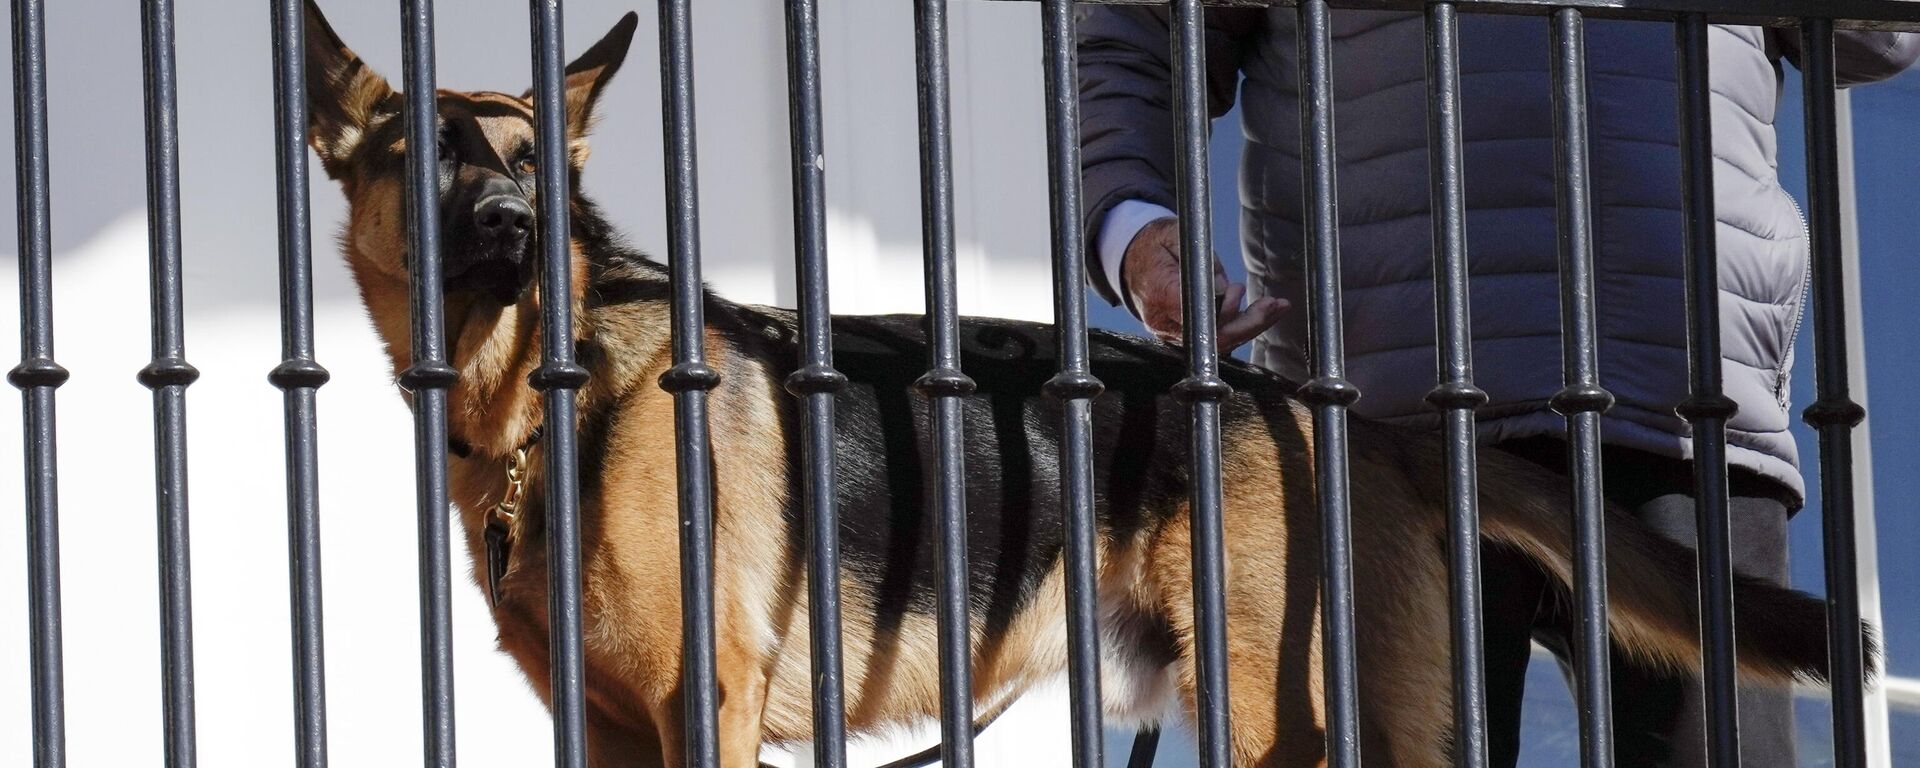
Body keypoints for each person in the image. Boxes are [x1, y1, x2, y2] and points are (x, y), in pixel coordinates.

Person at [1077, 8, 1918, 767]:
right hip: (1384, 430)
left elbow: (1877, 37)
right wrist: (1134, 227)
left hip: (1678, 395)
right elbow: (1137, 28)